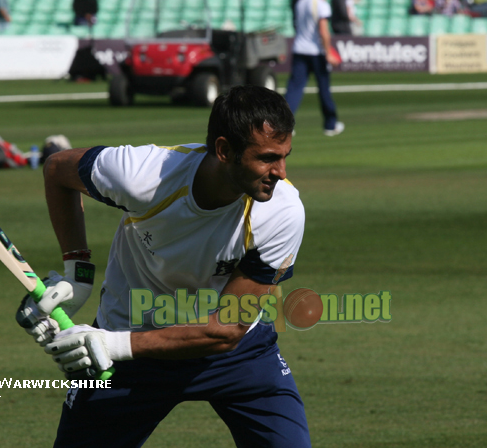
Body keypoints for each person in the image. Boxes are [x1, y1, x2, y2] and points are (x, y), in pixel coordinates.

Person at [16, 85, 311, 448]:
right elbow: (58, 169)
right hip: (128, 346)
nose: (280, 172)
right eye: (267, 158)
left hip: (234, 355)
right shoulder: (143, 175)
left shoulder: (282, 211)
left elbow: (226, 330)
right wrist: (79, 272)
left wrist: (113, 345)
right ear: (223, 150)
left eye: (285, 156)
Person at [285, 0, 344, 136]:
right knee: (324, 88)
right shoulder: (322, 4)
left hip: (299, 49)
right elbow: (323, 31)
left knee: (294, 88)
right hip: (316, 52)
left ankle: (284, 125)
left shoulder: (300, 2)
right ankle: (330, 125)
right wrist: (328, 53)